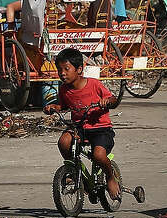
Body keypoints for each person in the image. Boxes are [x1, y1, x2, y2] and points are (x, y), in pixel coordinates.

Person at [43, 47, 121, 200]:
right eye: (60, 70)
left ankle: (111, 178)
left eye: (66, 69)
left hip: (100, 128)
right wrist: (54, 107)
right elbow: (63, 106)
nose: (62, 73)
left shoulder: (94, 84)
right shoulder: (64, 89)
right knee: (64, 142)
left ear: (79, 69)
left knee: (98, 155)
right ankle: (74, 171)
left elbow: (113, 100)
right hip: (79, 128)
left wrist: (107, 102)